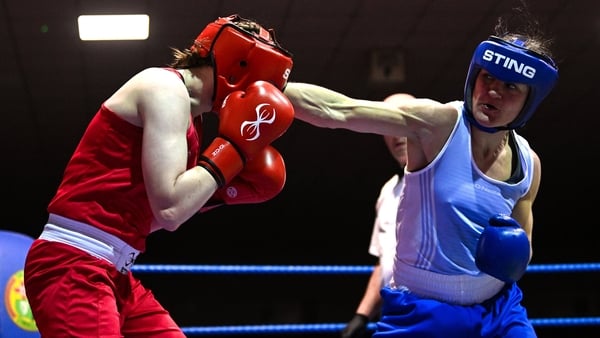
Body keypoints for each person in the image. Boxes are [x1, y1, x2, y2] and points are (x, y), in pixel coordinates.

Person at [285, 12, 558, 338]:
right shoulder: (437, 125)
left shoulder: (528, 164)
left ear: (530, 100)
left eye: (510, 86)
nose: (493, 92)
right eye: (487, 78)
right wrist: (263, 85)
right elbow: (340, 110)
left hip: (499, 310)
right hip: (424, 310)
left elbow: (522, 250)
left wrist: (513, 256)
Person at [23, 14, 295, 337]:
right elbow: (169, 210)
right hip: (73, 263)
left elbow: (153, 216)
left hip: (116, 271)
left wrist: (221, 193)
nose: (256, 97)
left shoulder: (191, 120)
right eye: (259, 84)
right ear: (239, 67)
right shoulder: (164, 89)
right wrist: (233, 149)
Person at [341, 94, 412, 338]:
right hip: (394, 312)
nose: (396, 133)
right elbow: (385, 263)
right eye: (387, 124)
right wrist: (361, 316)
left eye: (401, 121)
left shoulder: (443, 182)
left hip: (439, 310)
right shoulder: (387, 192)